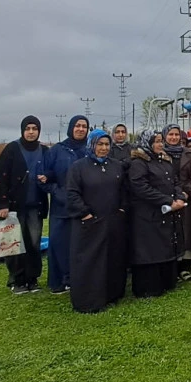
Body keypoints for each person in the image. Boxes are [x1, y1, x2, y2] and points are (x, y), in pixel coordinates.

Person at [64, 129, 128, 313]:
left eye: (107, 144)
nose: (103, 148)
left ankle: (112, 295)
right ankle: (89, 300)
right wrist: (85, 213)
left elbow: (124, 190)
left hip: (113, 222)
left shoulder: (116, 166)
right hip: (89, 223)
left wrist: (122, 209)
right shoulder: (79, 167)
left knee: (112, 259)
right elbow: (72, 193)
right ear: (92, 145)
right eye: (100, 144)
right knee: (90, 261)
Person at [0, 116, 49, 294]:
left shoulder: (44, 150)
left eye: (34, 128)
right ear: (22, 130)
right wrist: (2, 203)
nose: (31, 132)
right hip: (14, 207)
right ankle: (17, 279)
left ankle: (33, 278)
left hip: (35, 206)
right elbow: (0, 177)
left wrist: (48, 178)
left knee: (34, 244)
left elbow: (50, 172)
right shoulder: (12, 149)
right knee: (13, 244)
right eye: (28, 128)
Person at [127, 130, 185, 298]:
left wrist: (179, 196)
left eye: (161, 141)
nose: (161, 144)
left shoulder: (164, 160)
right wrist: (167, 200)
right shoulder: (139, 162)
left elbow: (175, 181)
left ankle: (166, 282)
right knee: (149, 251)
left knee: (164, 248)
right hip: (147, 215)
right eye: (157, 141)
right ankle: (148, 288)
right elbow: (140, 187)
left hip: (165, 214)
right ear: (148, 142)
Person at [43, 115, 90, 294]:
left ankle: (79, 279)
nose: (80, 129)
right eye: (77, 126)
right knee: (59, 244)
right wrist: (58, 192)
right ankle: (60, 281)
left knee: (81, 245)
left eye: (84, 126)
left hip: (85, 206)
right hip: (61, 207)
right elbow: (44, 178)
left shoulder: (89, 150)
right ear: (71, 128)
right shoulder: (57, 151)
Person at [164, 123, 191, 282]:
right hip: (167, 201)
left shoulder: (189, 154)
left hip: (187, 200)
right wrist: (170, 197)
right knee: (169, 234)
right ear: (165, 136)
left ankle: (185, 267)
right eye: (170, 135)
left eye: (176, 135)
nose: (174, 138)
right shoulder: (159, 154)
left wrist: (183, 194)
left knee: (187, 232)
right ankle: (171, 267)